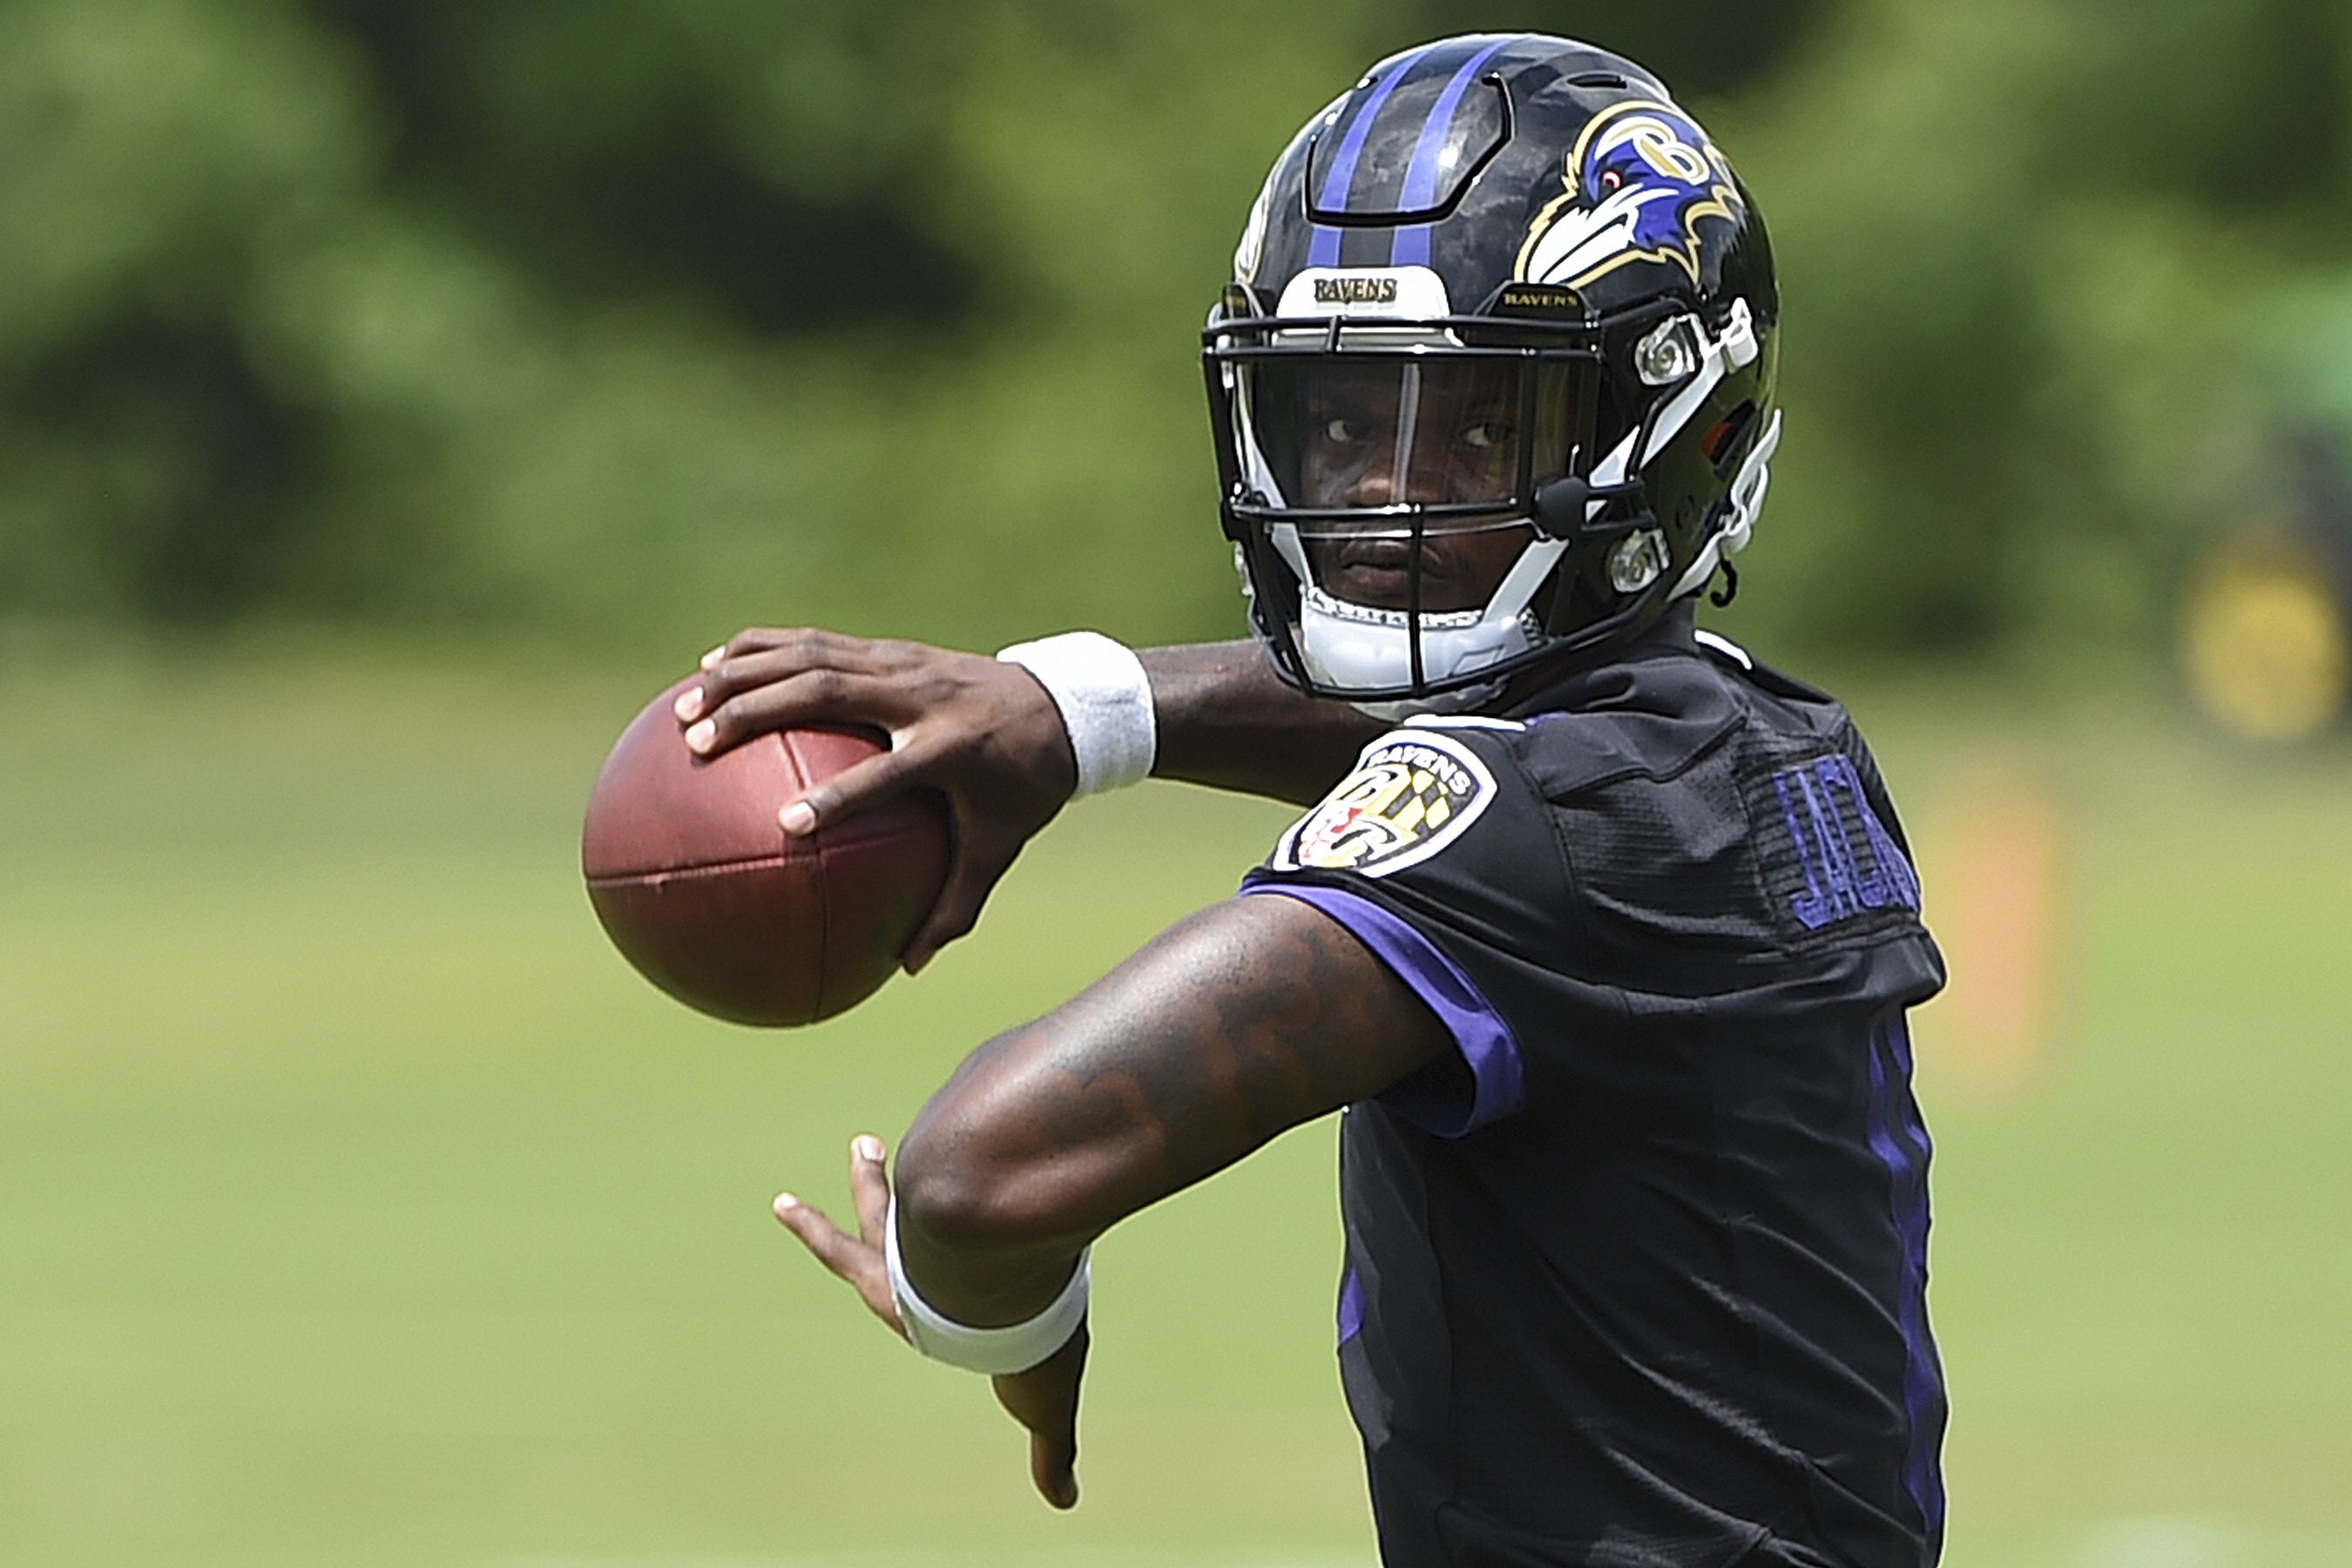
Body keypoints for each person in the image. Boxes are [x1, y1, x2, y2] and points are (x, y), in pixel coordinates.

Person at [672, 34, 1948, 1566]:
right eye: (1343, 420)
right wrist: (1081, 711)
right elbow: (1506, 760)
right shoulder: (1766, 737)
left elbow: (980, 1178)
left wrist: (989, 1322)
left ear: (1689, 435)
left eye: (1480, 425)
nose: (1378, 495)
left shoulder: (1537, 827)